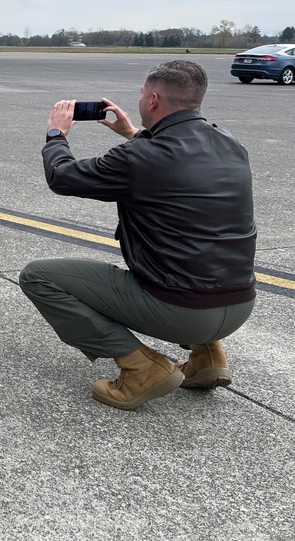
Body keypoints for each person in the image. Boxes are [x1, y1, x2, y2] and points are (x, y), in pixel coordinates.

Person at [19, 60, 257, 410]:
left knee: (38, 276)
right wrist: (133, 133)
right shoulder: (230, 142)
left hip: (183, 312)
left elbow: (62, 176)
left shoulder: (139, 157)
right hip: (239, 306)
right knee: (200, 250)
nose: (141, 98)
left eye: (143, 93)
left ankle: (141, 368)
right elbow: (171, 165)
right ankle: (207, 357)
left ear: (154, 100)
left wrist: (57, 135)